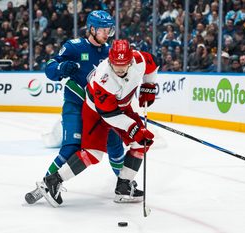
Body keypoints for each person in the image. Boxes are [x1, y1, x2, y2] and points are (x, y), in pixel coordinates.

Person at [37, 39, 158, 207]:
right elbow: (109, 115)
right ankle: (54, 180)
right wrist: (133, 128)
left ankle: (123, 187)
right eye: (116, 65)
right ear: (110, 60)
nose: (120, 69)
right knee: (93, 154)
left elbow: (153, 65)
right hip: (96, 112)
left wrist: (149, 86)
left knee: (141, 142)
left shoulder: (139, 60)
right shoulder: (104, 77)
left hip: (122, 107)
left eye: (124, 65)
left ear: (130, 60)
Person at [25, 10, 125, 205]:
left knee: (114, 143)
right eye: (104, 30)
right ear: (92, 29)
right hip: (76, 105)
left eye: (109, 30)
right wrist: (61, 69)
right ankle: (46, 185)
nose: (107, 34)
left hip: (98, 110)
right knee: (72, 147)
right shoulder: (75, 47)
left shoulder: (109, 51)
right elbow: (50, 68)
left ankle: (124, 183)